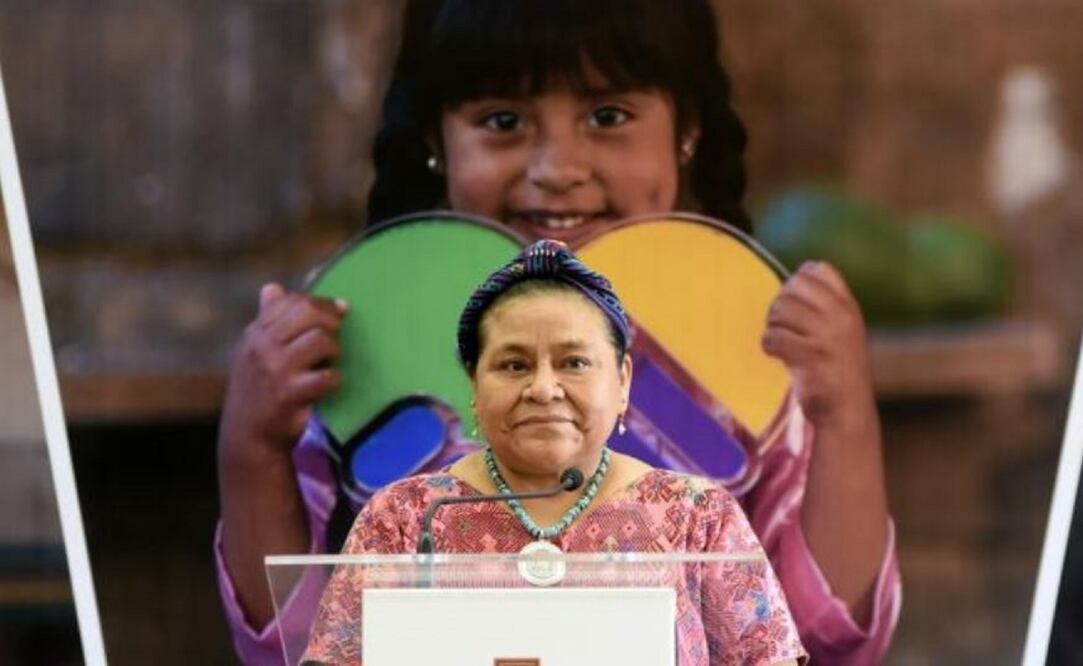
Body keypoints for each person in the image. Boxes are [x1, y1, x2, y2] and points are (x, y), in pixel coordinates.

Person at [215, 0, 900, 663]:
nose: (556, 170)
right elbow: (292, 645)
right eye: (503, 120)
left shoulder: (744, 348)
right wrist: (251, 446)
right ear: (435, 141)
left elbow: (826, 642)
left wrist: (844, 417)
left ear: (685, 129)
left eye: (607, 116)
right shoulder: (366, 347)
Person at [302, 240, 807, 665]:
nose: (544, 388)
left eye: (574, 362)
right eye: (514, 365)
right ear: (474, 387)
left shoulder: (697, 517)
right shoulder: (405, 518)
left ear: (623, 382)